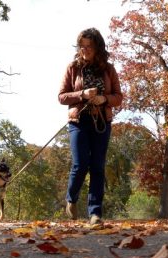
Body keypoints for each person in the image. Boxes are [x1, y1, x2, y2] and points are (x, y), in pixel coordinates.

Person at [58, 27, 123, 225]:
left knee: (97, 166)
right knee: (80, 164)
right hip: (78, 121)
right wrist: (82, 95)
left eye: (89, 46)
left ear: (97, 48)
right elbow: (61, 97)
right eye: (82, 46)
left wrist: (103, 98)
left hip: (102, 122)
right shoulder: (72, 68)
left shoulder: (108, 69)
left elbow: (118, 97)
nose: (85, 50)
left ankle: (95, 213)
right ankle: (71, 198)